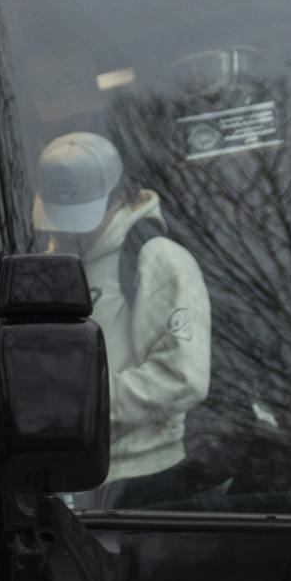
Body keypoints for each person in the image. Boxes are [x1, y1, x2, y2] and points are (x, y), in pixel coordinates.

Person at [34, 130, 212, 508]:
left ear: (117, 199)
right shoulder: (57, 261)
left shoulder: (157, 258)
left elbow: (184, 379)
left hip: (145, 485)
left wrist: (81, 406)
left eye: (80, 220)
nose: (67, 232)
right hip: (80, 479)